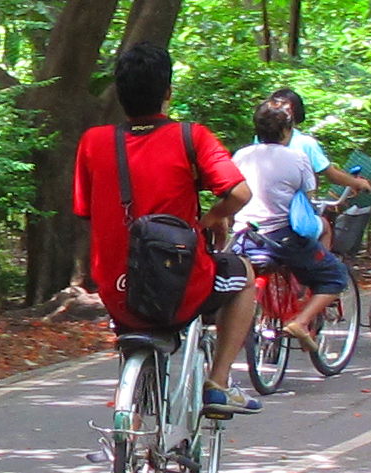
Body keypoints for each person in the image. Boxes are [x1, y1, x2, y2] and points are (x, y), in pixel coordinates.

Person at [70, 39, 261, 417]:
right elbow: (240, 193)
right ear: (167, 92)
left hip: (116, 289)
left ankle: (132, 432)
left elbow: (86, 211)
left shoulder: (93, 142)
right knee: (245, 276)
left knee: (131, 320)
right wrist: (210, 218)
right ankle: (219, 382)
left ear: (120, 94)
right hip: (180, 288)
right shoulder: (192, 137)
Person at [233, 97, 351, 354]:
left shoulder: (241, 155)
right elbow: (306, 199)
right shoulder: (297, 158)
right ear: (287, 130)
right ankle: (301, 320)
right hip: (283, 240)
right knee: (336, 276)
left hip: (244, 236)